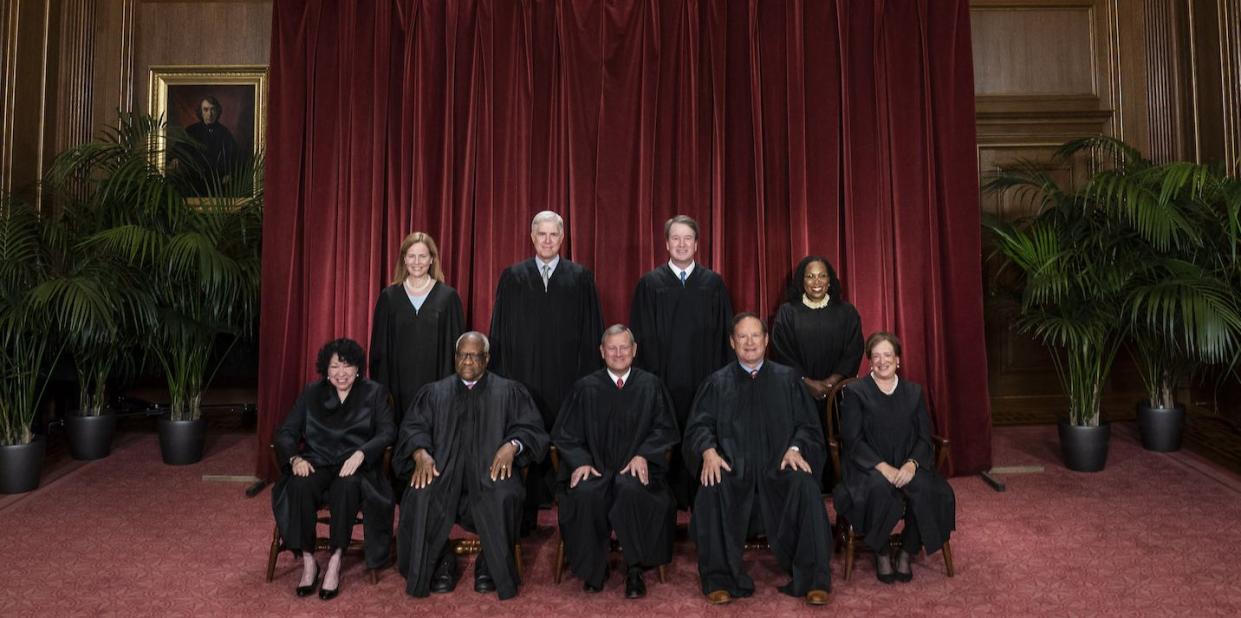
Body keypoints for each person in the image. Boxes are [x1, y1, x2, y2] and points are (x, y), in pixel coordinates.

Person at [684, 313, 833, 606]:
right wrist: (708, 451)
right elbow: (698, 426)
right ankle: (719, 578)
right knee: (712, 486)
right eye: (742, 336)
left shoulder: (787, 379)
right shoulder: (717, 383)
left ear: (766, 341)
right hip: (733, 468)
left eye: (755, 336)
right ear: (732, 342)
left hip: (779, 467)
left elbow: (808, 426)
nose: (749, 342)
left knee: (805, 486)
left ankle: (814, 579)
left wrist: (796, 448)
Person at [394, 332, 549, 600]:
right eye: (462, 355)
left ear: (486, 358)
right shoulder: (434, 393)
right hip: (442, 472)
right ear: (455, 357)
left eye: (474, 355)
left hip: (490, 473)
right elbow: (413, 427)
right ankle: (439, 561)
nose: (467, 361)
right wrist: (420, 452)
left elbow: (532, 429)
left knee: (505, 493)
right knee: (420, 493)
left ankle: (491, 562)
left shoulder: (509, 391)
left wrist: (512, 445)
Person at [489, 210, 603, 530]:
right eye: (542, 234)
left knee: (565, 433)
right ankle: (527, 504)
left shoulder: (580, 277)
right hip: (523, 375)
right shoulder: (513, 277)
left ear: (562, 238)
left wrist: (589, 380)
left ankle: (565, 499)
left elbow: (593, 331)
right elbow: (499, 330)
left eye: (554, 235)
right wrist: (502, 379)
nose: (548, 240)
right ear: (532, 237)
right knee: (526, 430)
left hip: (567, 375)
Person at [552, 324, 680, 598]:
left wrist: (644, 454)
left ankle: (635, 569)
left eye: (624, 347)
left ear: (634, 351)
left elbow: (665, 430)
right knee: (585, 494)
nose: (618, 353)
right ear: (602, 351)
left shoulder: (650, 386)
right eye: (612, 348)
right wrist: (581, 462)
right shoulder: (585, 388)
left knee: (631, 489)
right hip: (596, 468)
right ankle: (592, 570)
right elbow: (565, 434)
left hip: (635, 469)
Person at [271, 338, 395, 601]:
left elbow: (387, 432)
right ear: (325, 370)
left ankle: (336, 559)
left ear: (358, 369)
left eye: (347, 366)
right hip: (316, 461)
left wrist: (362, 453)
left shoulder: (374, 393)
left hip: (354, 465)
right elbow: (286, 433)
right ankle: (309, 561)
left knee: (347, 487)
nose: (341, 373)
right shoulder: (311, 393)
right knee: (299, 485)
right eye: (335, 367)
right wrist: (295, 459)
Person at [832, 332, 956, 584]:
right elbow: (852, 440)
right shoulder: (856, 392)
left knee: (930, 490)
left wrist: (911, 464)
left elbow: (924, 436)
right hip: (868, 467)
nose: (882, 361)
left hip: (908, 463)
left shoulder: (913, 392)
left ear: (897, 360)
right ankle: (881, 550)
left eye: (887, 355)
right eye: (875, 356)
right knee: (878, 489)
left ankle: (907, 550)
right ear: (869, 362)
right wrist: (883, 468)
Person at [629, 215, 732, 509]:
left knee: (702, 432)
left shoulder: (713, 284)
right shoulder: (650, 285)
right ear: (666, 243)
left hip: (705, 380)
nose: (682, 244)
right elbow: (640, 338)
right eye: (676, 238)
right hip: (663, 381)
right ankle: (666, 503)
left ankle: (703, 498)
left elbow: (726, 337)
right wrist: (647, 382)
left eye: (688, 238)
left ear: (697, 244)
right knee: (665, 434)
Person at [770, 255, 863, 489]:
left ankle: (838, 485)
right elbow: (781, 352)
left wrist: (832, 382)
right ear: (802, 281)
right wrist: (806, 382)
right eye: (810, 276)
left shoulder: (847, 312)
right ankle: (806, 485)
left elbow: (854, 350)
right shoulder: (787, 313)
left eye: (822, 275)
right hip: (799, 391)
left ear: (830, 280)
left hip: (838, 395)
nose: (816, 281)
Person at [369, 232, 465, 423]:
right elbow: (379, 350)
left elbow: (457, 351)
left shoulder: (448, 298)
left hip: (437, 387)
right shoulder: (389, 297)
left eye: (422, 256)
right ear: (404, 259)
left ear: (432, 259)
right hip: (397, 388)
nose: (417, 262)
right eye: (411, 256)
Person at [183, 96, 240, 195]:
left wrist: (230, 173)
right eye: (205, 110)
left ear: (217, 112)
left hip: (218, 183)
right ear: (200, 112)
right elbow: (179, 151)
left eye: (213, 109)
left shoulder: (224, 133)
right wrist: (175, 159)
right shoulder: (191, 131)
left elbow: (235, 157)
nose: (209, 114)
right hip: (194, 181)